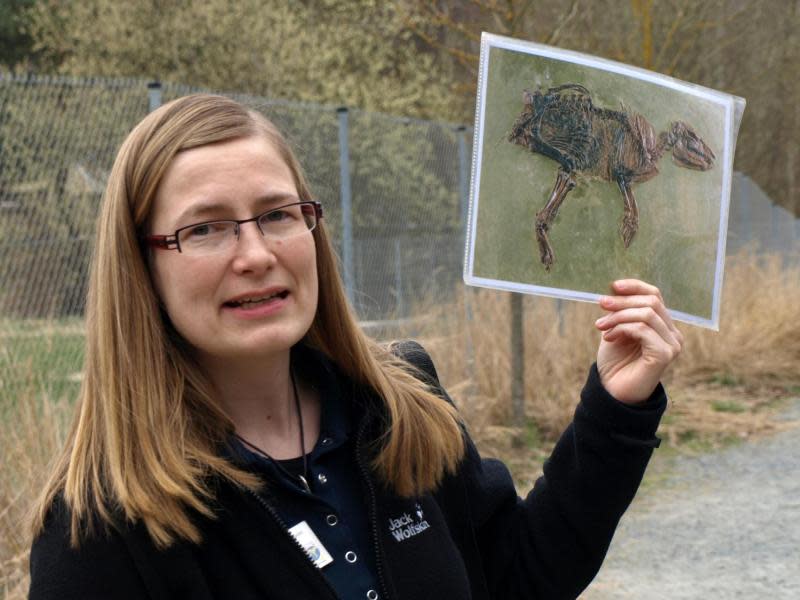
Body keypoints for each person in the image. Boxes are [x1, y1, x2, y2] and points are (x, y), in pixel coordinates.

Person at [28, 94, 682, 600]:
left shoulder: (402, 407)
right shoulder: (101, 527)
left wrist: (613, 409)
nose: (256, 255)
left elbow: (517, 578)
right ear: (141, 265)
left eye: (278, 214)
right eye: (205, 229)